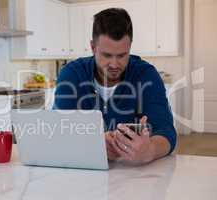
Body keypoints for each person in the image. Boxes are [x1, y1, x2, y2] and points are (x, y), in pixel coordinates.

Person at [53, 8, 176, 165]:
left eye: (122, 55)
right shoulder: (72, 73)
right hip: (82, 174)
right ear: (93, 47)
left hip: (133, 177)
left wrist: (150, 150)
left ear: (130, 46)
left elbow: (166, 131)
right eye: (107, 55)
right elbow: (58, 130)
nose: (114, 64)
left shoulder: (146, 74)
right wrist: (94, 143)